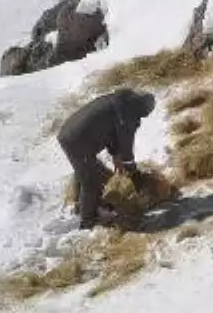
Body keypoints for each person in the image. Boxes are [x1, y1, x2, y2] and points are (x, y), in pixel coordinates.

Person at [57, 89, 156, 229]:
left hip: (69, 132)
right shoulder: (128, 114)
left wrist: (115, 154)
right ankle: (87, 222)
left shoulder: (119, 102)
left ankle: (81, 205)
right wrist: (133, 173)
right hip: (77, 141)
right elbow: (126, 145)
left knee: (86, 169)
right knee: (90, 181)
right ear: (142, 110)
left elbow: (111, 131)